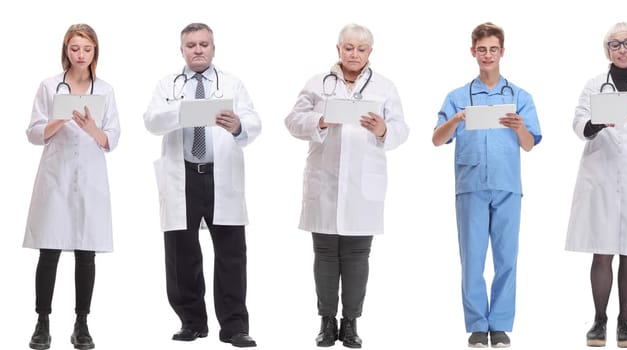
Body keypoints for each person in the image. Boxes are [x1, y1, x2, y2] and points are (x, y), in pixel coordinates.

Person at [285, 23, 409, 349]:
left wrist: (384, 129)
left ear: (370, 53)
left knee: (357, 257)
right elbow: (292, 121)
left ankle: (351, 323)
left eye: (361, 49)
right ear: (338, 49)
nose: (354, 54)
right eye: (349, 47)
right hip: (324, 183)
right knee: (325, 255)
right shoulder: (317, 84)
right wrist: (321, 120)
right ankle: (327, 322)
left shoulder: (384, 87)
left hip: (362, 187)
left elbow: (401, 129)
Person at [143, 22, 261, 348]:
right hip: (183, 176)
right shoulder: (168, 84)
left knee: (231, 254)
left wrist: (238, 125)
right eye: (191, 45)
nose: (198, 50)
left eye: (204, 44)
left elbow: (253, 122)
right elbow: (151, 120)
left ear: (213, 48)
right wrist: (184, 112)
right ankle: (191, 322)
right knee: (182, 254)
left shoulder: (232, 84)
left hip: (220, 175)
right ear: (181, 50)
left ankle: (235, 327)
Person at [432, 22, 542, 348]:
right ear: (473, 52)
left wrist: (520, 125)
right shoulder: (457, 97)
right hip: (471, 185)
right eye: (482, 50)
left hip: (507, 185)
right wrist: (457, 119)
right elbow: (437, 139)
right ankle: (478, 325)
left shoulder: (519, 97)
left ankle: (501, 324)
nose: (488, 55)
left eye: (494, 49)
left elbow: (528, 144)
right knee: (473, 259)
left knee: (507, 257)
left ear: (502, 52)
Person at [564, 22, 627, 348]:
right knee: (602, 250)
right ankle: (599, 320)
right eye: (614, 44)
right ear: (607, 50)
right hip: (601, 171)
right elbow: (578, 124)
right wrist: (597, 121)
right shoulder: (595, 85)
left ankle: (625, 321)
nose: (622, 49)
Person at [23, 23, 120, 350]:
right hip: (55, 177)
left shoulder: (105, 90)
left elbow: (112, 138)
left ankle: (82, 324)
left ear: (95, 52)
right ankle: (42, 322)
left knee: (85, 252)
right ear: (66, 49)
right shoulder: (50, 87)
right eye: (75, 48)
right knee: (48, 250)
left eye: (87, 49)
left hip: (90, 179)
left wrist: (92, 127)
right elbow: (33, 131)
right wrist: (58, 120)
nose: (80, 55)